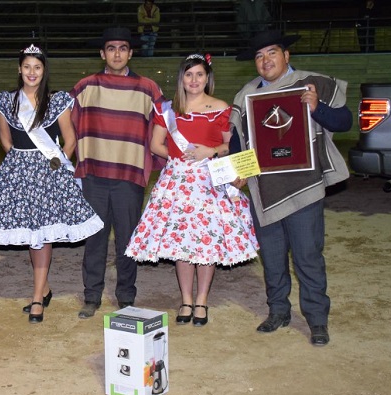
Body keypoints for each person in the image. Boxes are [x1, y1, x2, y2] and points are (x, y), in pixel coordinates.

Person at [230, 30, 352, 346]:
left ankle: (317, 321)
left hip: (304, 187)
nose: (265, 60)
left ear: (286, 56)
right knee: (272, 258)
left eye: (272, 53)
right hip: (263, 191)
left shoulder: (312, 83)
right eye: (259, 56)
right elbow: (236, 142)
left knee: (308, 257)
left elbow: (345, 121)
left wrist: (316, 109)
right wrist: (239, 172)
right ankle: (278, 311)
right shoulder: (245, 97)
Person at [0, 44, 104, 323]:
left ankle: (37, 297)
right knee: (32, 235)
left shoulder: (57, 101)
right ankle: (45, 288)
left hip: (49, 175)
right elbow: (5, 140)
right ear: (20, 69)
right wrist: (22, 164)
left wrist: (55, 163)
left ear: (44, 71)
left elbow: (70, 140)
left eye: (37, 67)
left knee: (41, 235)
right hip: (19, 174)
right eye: (27, 66)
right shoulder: (7, 101)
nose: (32, 72)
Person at [125, 54, 260, 327]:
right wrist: (179, 158)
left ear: (207, 78)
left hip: (209, 181)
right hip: (177, 182)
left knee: (205, 243)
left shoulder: (222, 107)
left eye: (199, 74)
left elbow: (228, 146)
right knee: (182, 244)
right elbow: (155, 145)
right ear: (181, 79)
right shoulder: (168, 109)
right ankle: (186, 300)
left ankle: (201, 300)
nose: (194, 80)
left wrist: (209, 152)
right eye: (189, 75)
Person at [71, 27, 164, 319]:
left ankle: (126, 295)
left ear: (131, 52)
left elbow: (161, 130)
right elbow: (70, 128)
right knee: (95, 239)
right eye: (111, 48)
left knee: (127, 240)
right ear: (102, 53)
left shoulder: (149, 89)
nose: (117, 53)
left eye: (123, 48)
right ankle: (92, 296)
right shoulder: (85, 87)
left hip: (129, 177)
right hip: (94, 175)